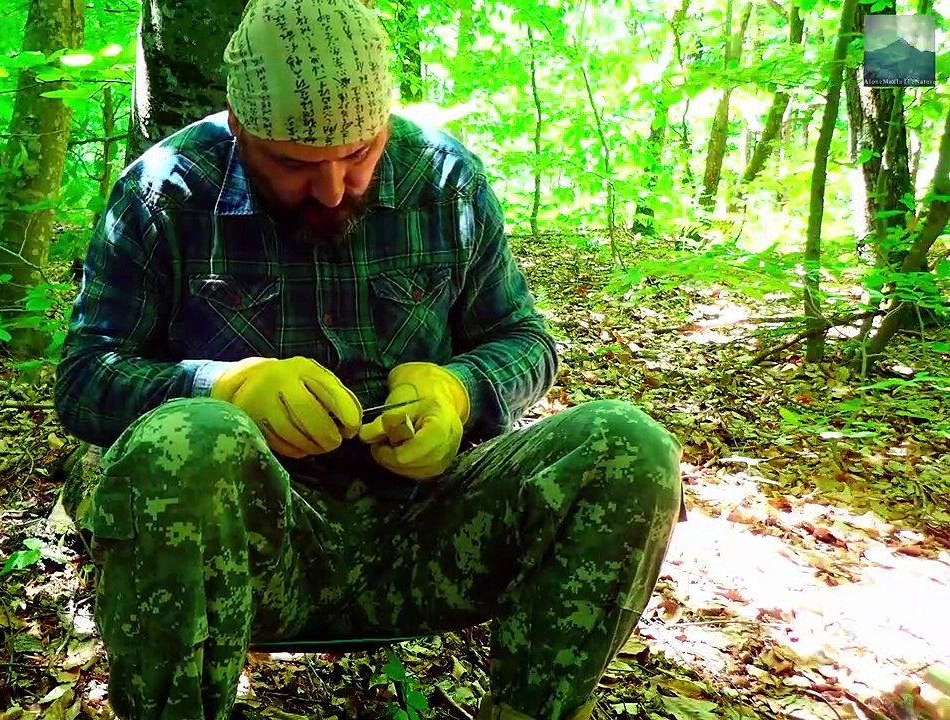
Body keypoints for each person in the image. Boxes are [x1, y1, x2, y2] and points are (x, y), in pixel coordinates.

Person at [53, 0, 684, 718]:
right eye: (294, 165)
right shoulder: (165, 192)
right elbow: (83, 379)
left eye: (359, 155)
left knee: (629, 446)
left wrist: (458, 391)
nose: (332, 190)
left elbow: (526, 341)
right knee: (185, 442)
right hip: (250, 544)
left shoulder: (445, 180)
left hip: (432, 530)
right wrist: (228, 390)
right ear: (238, 128)